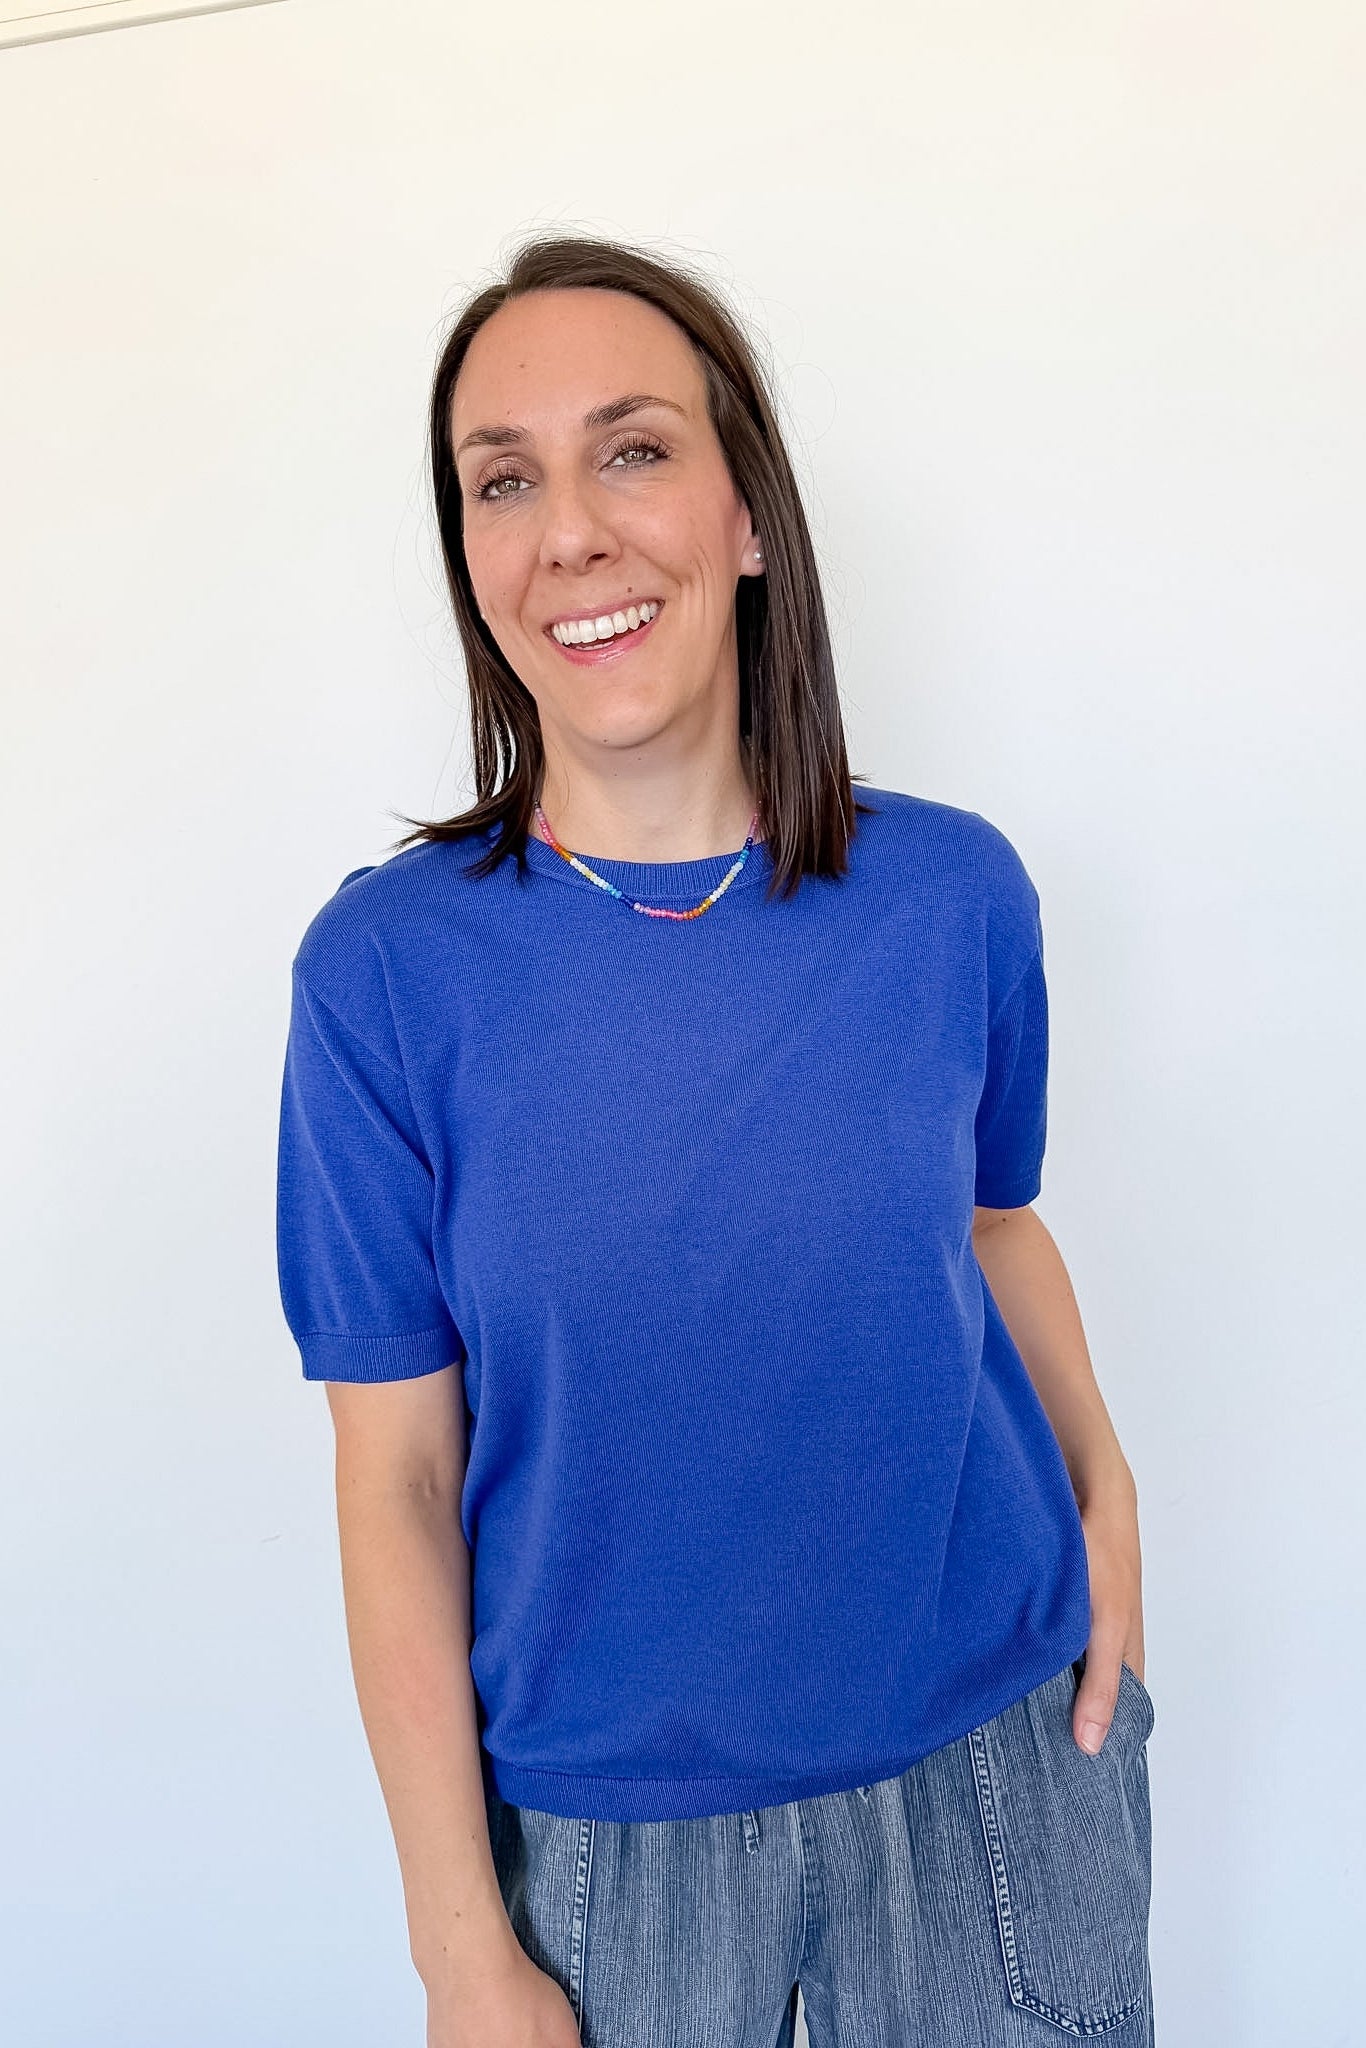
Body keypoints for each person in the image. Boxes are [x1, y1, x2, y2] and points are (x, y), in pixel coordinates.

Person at [275, 234, 1155, 2048]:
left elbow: (992, 1228)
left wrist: (1108, 1490)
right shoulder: (385, 974)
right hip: (608, 1851)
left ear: (749, 512)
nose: (571, 530)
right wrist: (461, 1955)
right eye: (502, 479)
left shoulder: (950, 894)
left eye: (634, 449)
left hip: (998, 1776)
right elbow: (398, 1484)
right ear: (472, 558)